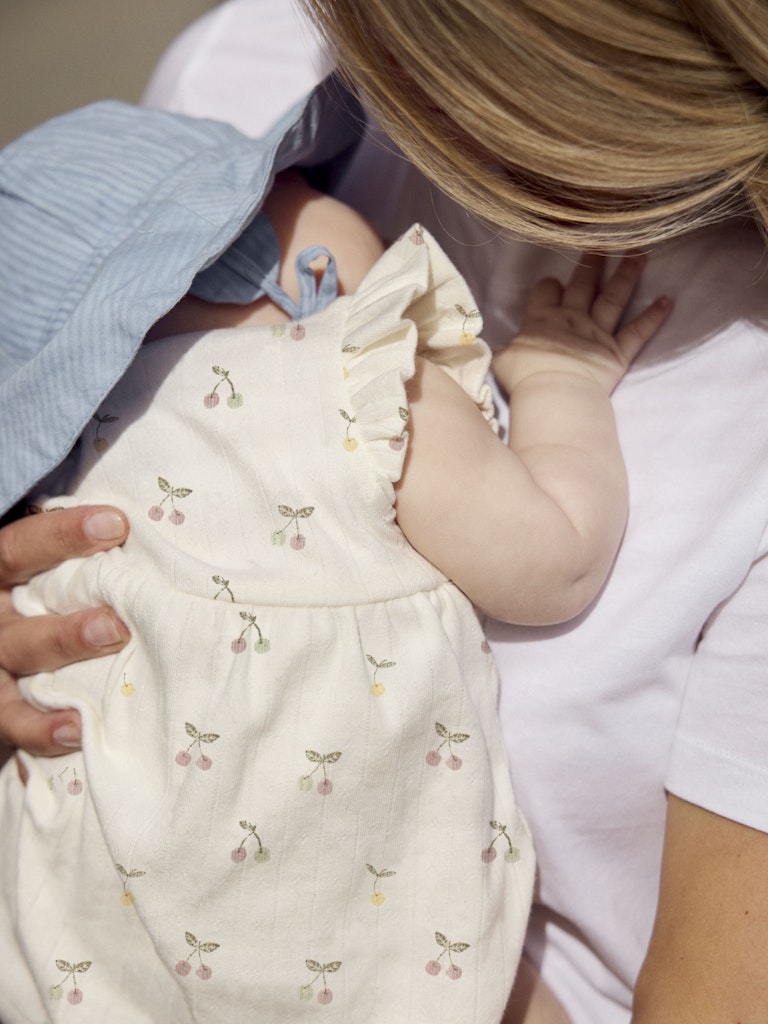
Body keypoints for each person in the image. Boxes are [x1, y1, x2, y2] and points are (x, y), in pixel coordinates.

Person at [2, 0, 768, 1021]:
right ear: (278, 270)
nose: (313, 180)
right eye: (280, 187)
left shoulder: (89, 451)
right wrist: (559, 383)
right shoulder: (344, 366)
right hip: (376, 944)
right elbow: (556, 560)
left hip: (93, 946)